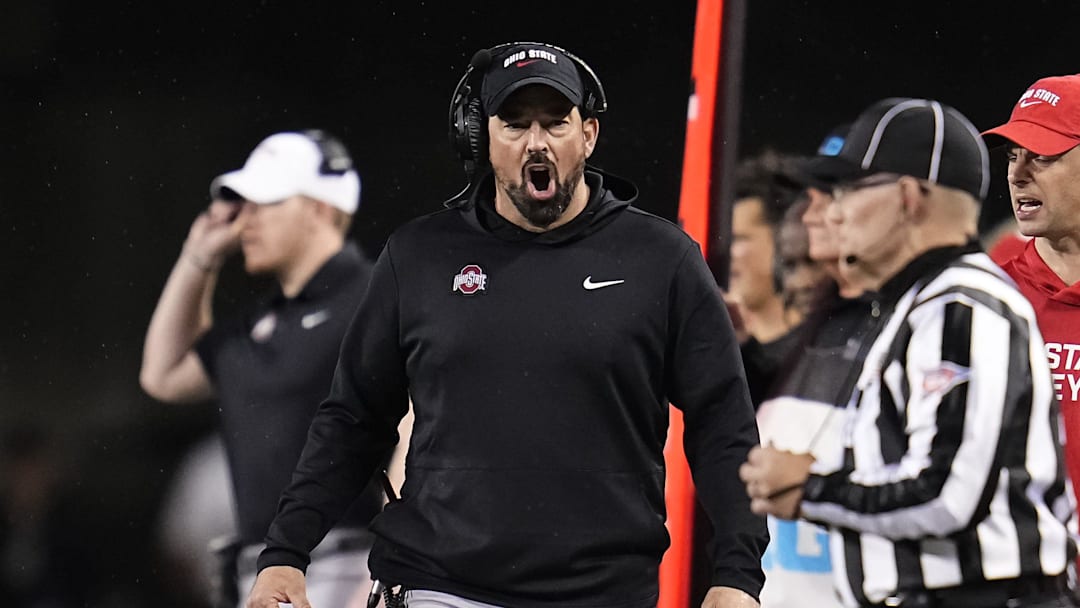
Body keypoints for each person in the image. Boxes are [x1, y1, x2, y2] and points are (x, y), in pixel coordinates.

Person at [245, 41, 766, 608]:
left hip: (601, 593)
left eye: (555, 122)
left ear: (588, 134)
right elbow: (353, 419)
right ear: (481, 139)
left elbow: (723, 423)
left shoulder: (662, 260)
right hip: (437, 585)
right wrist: (286, 554)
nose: (536, 142)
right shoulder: (419, 257)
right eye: (514, 124)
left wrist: (737, 575)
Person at [740, 97, 1076, 608]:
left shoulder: (964, 305)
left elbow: (948, 493)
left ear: (907, 198)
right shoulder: (916, 302)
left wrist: (811, 489)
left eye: (849, 189)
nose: (833, 210)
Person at [140, 129, 384, 608]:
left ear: (319, 207)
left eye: (264, 203)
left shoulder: (376, 296)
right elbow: (162, 375)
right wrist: (199, 257)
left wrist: (384, 569)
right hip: (257, 572)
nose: (244, 220)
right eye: (242, 205)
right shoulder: (259, 322)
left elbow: (417, 429)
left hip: (349, 564)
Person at [981, 73, 1080, 509]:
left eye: (1041, 156)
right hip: (1019, 574)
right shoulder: (983, 298)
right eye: (1013, 156)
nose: (1017, 175)